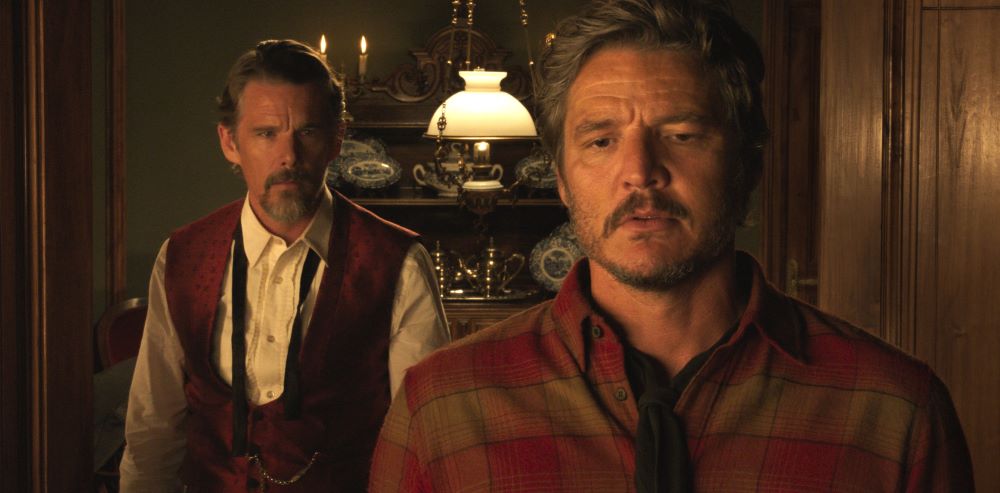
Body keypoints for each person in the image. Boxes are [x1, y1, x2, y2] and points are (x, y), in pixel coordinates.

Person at [368, 1, 973, 491]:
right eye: (601, 141)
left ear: (747, 165)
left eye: (682, 134)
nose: (640, 172)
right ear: (562, 177)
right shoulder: (442, 407)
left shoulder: (893, 413)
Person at [120, 39, 450, 492]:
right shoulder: (182, 255)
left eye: (307, 132)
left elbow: (425, 440)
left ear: (337, 139)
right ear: (229, 142)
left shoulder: (396, 262)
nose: (289, 156)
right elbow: (152, 426)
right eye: (266, 133)